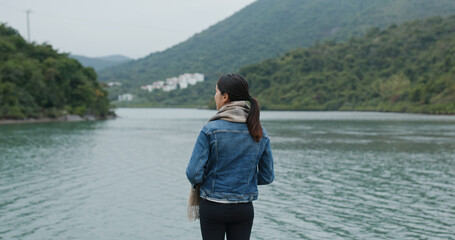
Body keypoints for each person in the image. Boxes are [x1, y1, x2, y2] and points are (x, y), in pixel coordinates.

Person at [186, 73, 275, 240]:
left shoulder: (210, 129)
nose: (215, 96)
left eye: (216, 92)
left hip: (212, 207)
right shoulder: (259, 132)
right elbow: (267, 176)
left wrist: (209, 182)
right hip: (243, 209)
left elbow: (193, 172)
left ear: (225, 97)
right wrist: (243, 180)